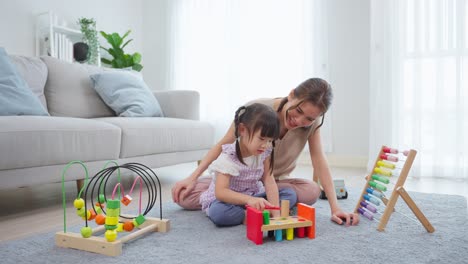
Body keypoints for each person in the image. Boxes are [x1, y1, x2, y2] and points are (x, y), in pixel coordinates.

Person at [172, 78, 359, 226]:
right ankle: (222, 193)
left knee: (311, 191)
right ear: (292, 94)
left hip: (270, 183)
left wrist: (335, 208)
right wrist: (193, 176)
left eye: (309, 118)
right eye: (298, 111)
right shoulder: (258, 112)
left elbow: (319, 160)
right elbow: (224, 144)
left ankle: (248, 203)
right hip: (235, 177)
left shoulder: (312, 124)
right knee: (184, 197)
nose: (299, 120)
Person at [200, 103, 297, 226]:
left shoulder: (265, 152)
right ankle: (248, 215)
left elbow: (268, 179)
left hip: (254, 194)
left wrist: (275, 214)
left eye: (270, 140)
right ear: (242, 130)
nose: (265, 145)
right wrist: (249, 200)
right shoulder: (229, 156)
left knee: (290, 194)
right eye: (261, 138)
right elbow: (221, 192)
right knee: (219, 213)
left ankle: (259, 212)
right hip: (229, 200)